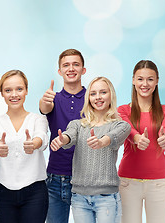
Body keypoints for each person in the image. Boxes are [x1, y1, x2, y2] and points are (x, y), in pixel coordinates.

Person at [50, 77, 131, 223]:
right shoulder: (77, 125)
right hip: (79, 198)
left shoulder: (120, 125)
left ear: (110, 95)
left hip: (106, 198)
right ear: (88, 99)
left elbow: (113, 137)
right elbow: (70, 135)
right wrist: (63, 140)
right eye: (93, 94)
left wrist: (101, 141)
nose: (98, 97)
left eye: (103, 92)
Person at [117, 60, 165, 223]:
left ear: (157, 81)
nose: (145, 84)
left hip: (159, 184)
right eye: (140, 79)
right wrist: (136, 138)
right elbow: (126, 127)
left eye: (150, 79)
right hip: (128, 183)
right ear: (133, 80)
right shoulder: (122, 110)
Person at [0, 70, 49, 223]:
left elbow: (41, 137)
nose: (14, 94)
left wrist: (33, 144)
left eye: (19, 89)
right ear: (2, 93)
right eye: (8, 90)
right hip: (3, 190)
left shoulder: (38, 119)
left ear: (26, 91)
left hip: (35, 190)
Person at [38, 49, 88, 223]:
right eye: (66, 65)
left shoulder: (93, 99)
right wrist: (44, 101)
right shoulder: (53, 99)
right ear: (60, 71)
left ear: (83, 70)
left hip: (86, 178)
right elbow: (45, 108)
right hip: (55, 179)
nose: (71, 68)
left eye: (76, 64)